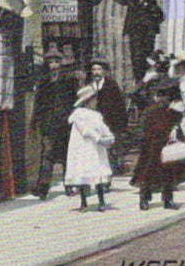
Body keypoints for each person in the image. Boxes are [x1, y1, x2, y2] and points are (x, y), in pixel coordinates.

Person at [132, 80, 185, 210]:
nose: (162, 99)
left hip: (166, 144)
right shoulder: (149, 108)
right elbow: (143, 127)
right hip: (151, 144)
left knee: (168, 172)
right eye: (160, 95)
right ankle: (144, 199)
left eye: (165, 96)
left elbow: (176, 123)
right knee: (148, 171)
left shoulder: (173, 110)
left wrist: (174, 129)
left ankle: (167, 199)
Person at [31, 48, 78, 200]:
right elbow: (38, 103)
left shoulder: (69, 80)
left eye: (56, 61)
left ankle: (69, 185)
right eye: (51, 62)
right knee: (47, 155)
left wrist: (73, 118)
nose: (54, 65)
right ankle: (43, 187)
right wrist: (35, 122)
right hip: (49, 124)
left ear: (61, 63)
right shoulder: (44, 81)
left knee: (66, 155)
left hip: (65, 123)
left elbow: (75, 101)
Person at [64, 85, 115, 212]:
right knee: (83, 173)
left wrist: (108, 136)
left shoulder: (96, 115)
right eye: (94, 99)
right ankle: (83, 202)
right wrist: (98, 138)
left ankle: (101, 201)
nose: (96, 102)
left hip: (95, 149)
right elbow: (85, 130)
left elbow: (102, 127)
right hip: (84, 148)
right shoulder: (79, 114)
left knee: (98, 174)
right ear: (87, 101)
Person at [84, 59, 126, 175]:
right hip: (92, 122)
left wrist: (120, 125)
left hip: (109, 121)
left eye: (99, 69)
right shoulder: (88, 86)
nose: (96, 72)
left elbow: (119, 106)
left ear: (104, 71)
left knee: (109, 150)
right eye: (94, 69)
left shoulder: (111, 85)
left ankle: (108, 174)